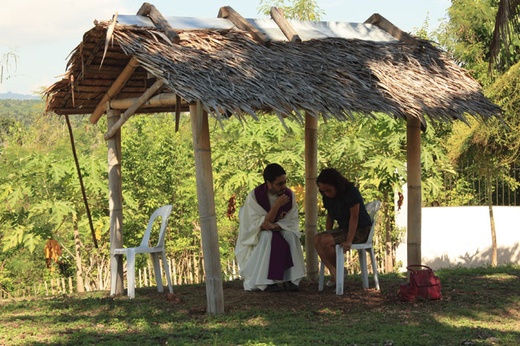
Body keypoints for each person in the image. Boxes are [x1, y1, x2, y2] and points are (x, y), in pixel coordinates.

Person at [235, 163, 305, 292]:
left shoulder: (289, 195)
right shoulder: (255, 197)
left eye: (284, 182)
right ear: (269, 183)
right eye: (279, 184)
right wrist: (276, 206)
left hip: (279, 229)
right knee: (268, 236)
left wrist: (276, 225)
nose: (283, 186)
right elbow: (259, 224)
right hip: (258, 234)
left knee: (291, 235)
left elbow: (292, 220)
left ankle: (291, 279)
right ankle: (266, 281)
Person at [313, 168, 372, 286]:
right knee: (316, 239)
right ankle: (337, 272)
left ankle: (338, 274)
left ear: (336, 185)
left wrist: (349, 241)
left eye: (328, 190)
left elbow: (354, 217)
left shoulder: (351, 192)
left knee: (325, 241)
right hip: (344, 229)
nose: (326, 193)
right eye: (323, 191)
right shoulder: (327, 196)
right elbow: (330, 215)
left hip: (360, 229)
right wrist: (328, 232)